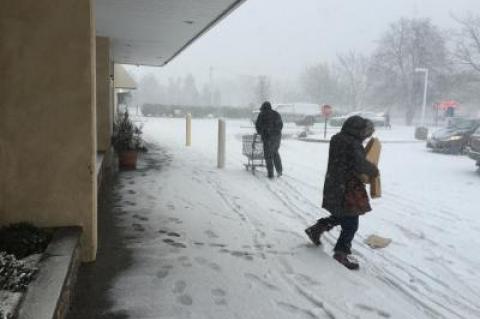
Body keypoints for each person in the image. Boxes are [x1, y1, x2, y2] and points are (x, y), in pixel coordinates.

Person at [305, 116, 379, 270]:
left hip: (335, 183)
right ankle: (341, 253)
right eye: (365, 132)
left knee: (342, 214)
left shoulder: (338, 139)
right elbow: (359, 164)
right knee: (351, 223)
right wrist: (373, 170)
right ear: (358, 129)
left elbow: (347, 160)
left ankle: (316, 229)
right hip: (347, 187)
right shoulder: (352, 143)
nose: (366, 136)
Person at [255, 101, 283, 178]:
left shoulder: (262, 115)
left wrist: (261, 132)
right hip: (277, 137)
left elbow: (258, 125)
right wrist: (276, 131)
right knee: (275, 153)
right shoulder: (276, 114)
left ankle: (270, 174)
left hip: (267, 137)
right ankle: (279, 170)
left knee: (268, 156)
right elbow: (280, 125)